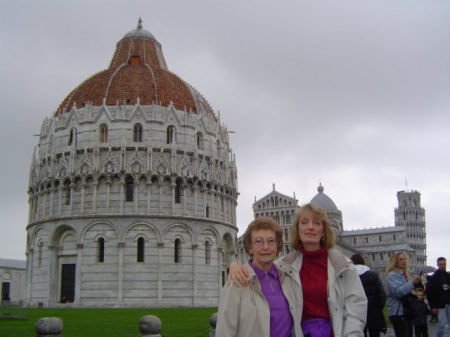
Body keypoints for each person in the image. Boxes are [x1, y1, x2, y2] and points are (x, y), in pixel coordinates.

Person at [228, 203, 368, 337]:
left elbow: (356, 307)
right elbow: (259, 268)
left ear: (324, 231)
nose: (310, 227)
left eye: (317, 223)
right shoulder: (284, 266)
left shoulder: (342, 266)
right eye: (304, 222)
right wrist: (233, 266)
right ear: (297, 230)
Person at [216, 216, 302, 337]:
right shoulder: (237, 280)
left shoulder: (287, 278)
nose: (265, 247)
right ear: (250, 247)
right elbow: (225, 330)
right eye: (258, 241)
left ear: (277, 247)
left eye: (271, 241)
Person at [385, 252, 422, 337]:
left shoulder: (403, 275)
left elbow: (404, 290)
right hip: (398, 312)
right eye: (401, 259)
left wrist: (411, 291)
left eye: (404, 259)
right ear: (395, 262)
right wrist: (412, 283)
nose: (404, 261)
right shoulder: (392, 275)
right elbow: (397, 292)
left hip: (405, 311)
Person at [351, 253, 387, 337]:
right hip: (373, 311)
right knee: (374, 333)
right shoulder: (373, 275)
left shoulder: (350, 276)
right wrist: (378, 308)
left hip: (356, 312)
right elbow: (382, 295)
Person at [426, 257, 450, 337]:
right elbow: (429, 294)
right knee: (442, 324)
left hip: (448, 303)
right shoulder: (433, 278)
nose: (443, 266)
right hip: (440, 305)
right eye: (441, 264)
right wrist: (432, 306)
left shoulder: (448, 276)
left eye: (444, 264)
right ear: (437, 265)